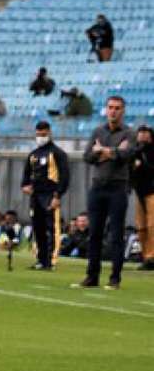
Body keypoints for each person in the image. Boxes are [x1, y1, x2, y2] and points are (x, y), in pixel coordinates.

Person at [73, 96, 135, 290]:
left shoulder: (129, 133)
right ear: (106, 109)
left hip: (118, 187)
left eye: (117, 108)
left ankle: (115, 278)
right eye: (110, 107)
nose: (113, 111)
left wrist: (103, 151)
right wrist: (113, 152)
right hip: (98, 187)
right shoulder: (98, 131)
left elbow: (127, 155)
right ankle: (92, 276)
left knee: (116, 234)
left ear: (123, 111)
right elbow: (88, 156)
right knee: (95, 234)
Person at [21, 121, 70, 271]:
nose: (40, 137)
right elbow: (25, 177)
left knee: (52, 228)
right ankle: (40, 259)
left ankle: (51, 260)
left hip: (50, 195)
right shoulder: (33, 155)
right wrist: (25, 187)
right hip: (35, 196)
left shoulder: (57, 153)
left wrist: (57, 196)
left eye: (43, 135)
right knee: (38, 228)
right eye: (38, 135)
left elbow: (65, 176)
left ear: (49, 133)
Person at [132, 125, 154, 270]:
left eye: (145, 133)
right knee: (141, 227)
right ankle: (146, 256)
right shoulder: (136, 151)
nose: (142, 135)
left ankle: (152, 256)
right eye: (140, 132)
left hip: (152, 191)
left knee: (152, 225)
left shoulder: (151, 152)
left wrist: (142, 164)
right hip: (139, 192)